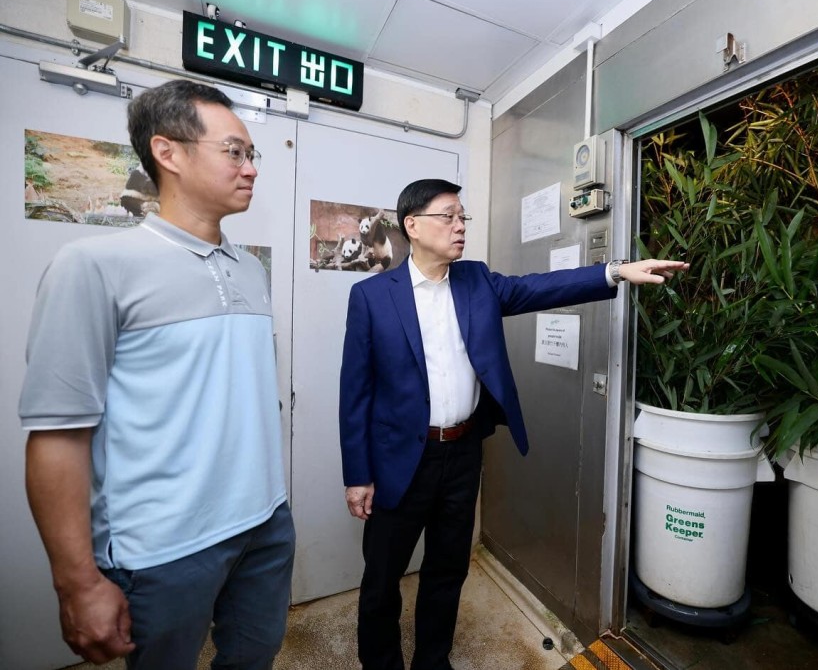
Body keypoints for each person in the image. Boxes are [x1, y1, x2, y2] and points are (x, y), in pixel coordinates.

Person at [339, 178, 688, 670]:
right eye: (448, 217)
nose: (460, 227)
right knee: (381, 579)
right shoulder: (372, 296)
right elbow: (355, 393)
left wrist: (615, 272)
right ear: (411, 226)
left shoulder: (476, 281)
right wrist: (358, 474)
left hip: (461, 456)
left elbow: (538, 288)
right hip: (398, 460)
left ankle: (432, 662)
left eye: (463, 218)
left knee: (447, 571)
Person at [20, 79, 294, 668]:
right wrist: (77, 584)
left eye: (253, 155)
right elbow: (58, 436)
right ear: (168, 153)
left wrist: (276, 512)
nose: (250, 168)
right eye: (235, 152)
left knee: (256, 656)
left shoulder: (249, 270)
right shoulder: (92, 267)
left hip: (265, 523)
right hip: (162, 549)